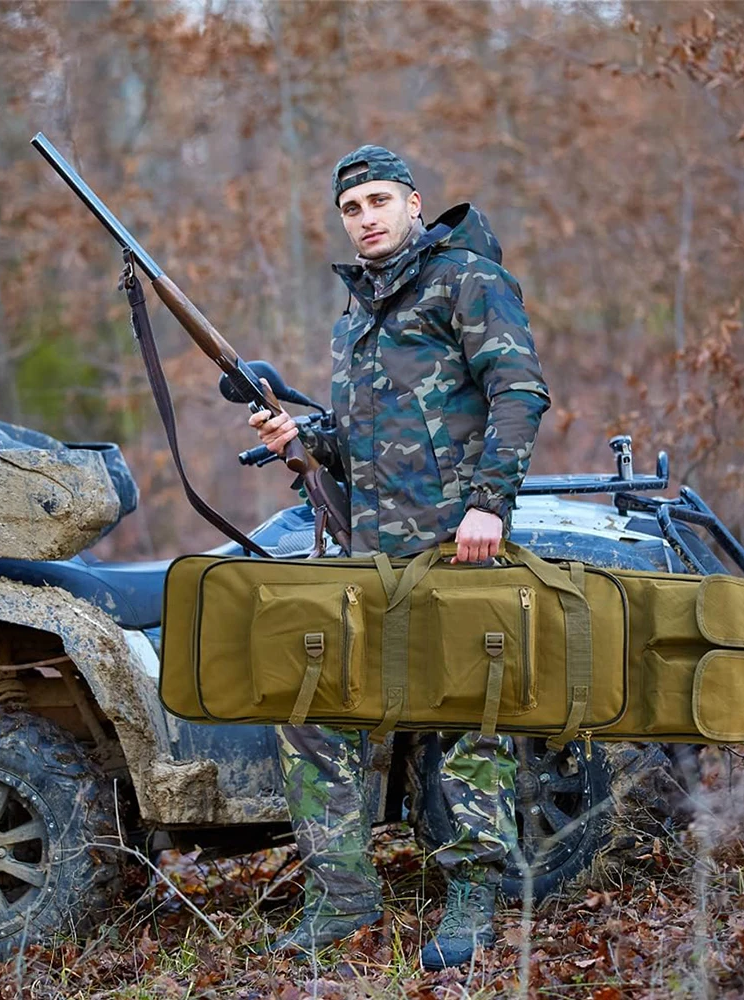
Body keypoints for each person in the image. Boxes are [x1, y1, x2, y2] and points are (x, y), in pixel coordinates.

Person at [249, 145, 549, 969]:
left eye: (380, 200)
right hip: (368, 561)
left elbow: (518, 391)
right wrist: (301, 439)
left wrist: (489, 504)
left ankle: (476, 896)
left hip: (457, 552)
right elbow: (366, 443)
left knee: (464, 721)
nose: (367, 218)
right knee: (313, 713)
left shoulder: (466, 281)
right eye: (352, 208)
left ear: (415, 203)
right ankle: (342, 901)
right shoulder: (355, 318)